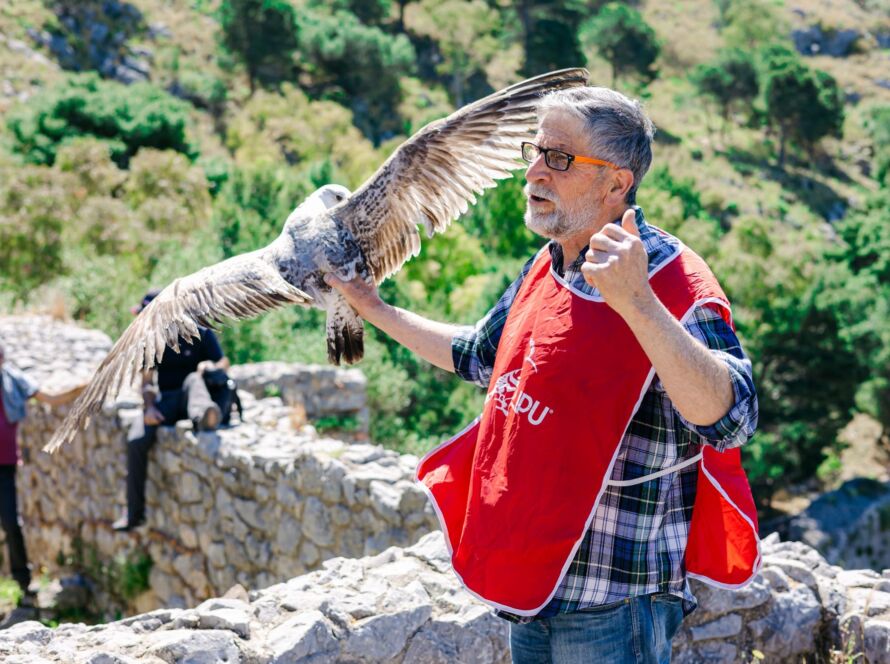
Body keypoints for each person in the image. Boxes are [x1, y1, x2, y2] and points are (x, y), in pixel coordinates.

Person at [327, 86, 759, 663]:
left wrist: (639, 302)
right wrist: (373, 308)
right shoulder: (549, 263)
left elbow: (733, 419)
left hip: (615, 603)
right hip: (536, 586)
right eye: (536, 151)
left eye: (559, 157)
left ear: (616, 183)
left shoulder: (675, 280)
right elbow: (481, 354)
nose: (533, 170)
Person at [113, 289, 230, 532]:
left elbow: (223, 362)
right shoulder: (151, 339)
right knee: (136, 440)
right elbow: (146, 383)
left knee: (193, 380)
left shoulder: (200, 330)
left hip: (194, 395)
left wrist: (209, 366)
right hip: (166, 400)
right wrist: (149, 408)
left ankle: (205, 417)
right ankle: (134, 513)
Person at [0, 342, 83, 602]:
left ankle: (23, 583)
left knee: (12, 524)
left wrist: (85, 387)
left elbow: (50, 397)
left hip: (4, 465)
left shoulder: (13, 380)